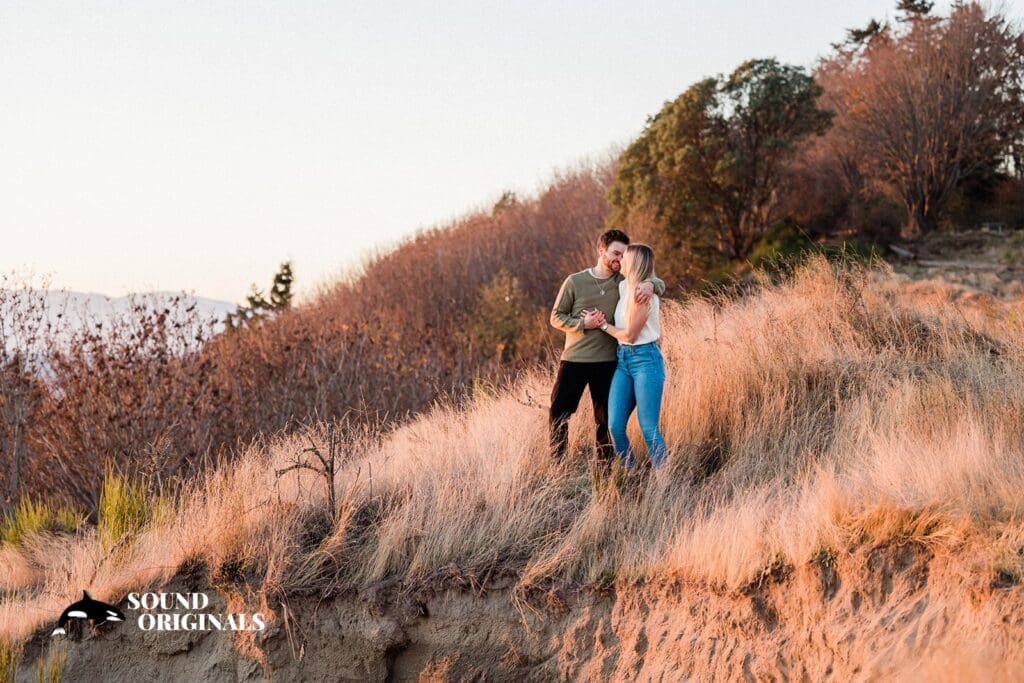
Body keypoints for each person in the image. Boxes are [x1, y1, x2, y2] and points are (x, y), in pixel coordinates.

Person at [549, 229, 665, 462]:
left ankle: (607, 468)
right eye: (615, 253)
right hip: (575, 358)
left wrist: (652, 284)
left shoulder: (622, 282)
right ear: (601, 250)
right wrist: (584, 323)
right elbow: (555, 317)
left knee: (605, 421)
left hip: (610, 360)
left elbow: (651, 279)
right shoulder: (575, 281)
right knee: (559, 412)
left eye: (624, 255)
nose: (619, 259)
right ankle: (558, 465)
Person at [599, 243, 667, 470]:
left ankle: (664, 479)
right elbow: (659, 283)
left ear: (635, 262)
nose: (621, 260)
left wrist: (603, 326)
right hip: (623, 362)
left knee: (648, 428)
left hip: (645, 360)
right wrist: (654, 283)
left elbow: (629, 335)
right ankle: (632, 475)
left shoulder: (643, 295)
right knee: (615, 426)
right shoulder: (624, 288)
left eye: (625, 256)